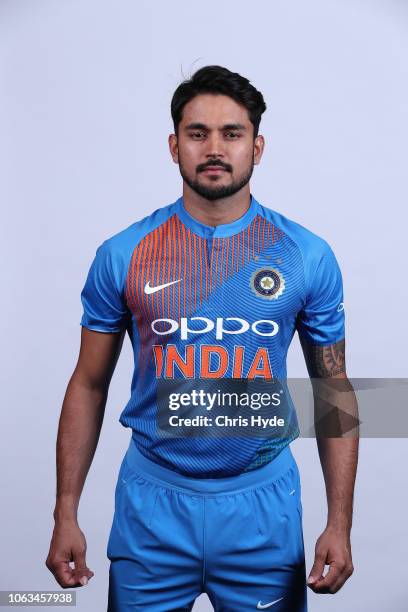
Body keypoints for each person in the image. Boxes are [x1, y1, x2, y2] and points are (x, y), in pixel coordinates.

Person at [45, 65, 358, 611]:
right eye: (198, 133)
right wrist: (65, 511)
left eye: (231, 133)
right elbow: (89, 384)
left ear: (257, 147)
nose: (214, 148)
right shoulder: (123, 254)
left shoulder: (306, 255)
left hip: (263, 505)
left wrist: (340, 523)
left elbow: (333, 387)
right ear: (174, 146)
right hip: (152, 504)